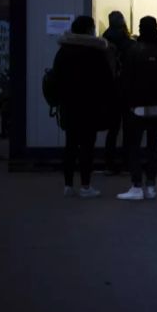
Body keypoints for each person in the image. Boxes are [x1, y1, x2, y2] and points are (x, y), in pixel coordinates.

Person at [51, 15, 118, 198]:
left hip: (69, 106)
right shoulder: (96, 52)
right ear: (89, 29)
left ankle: (67, 185)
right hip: (90, 107)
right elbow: (107, 82)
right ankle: (86, 186)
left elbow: (55, 79)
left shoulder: (63, 51)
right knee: (87, 147)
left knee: (70, 145)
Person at [116, 16, 157, 201]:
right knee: (153, 146)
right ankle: (151, 186)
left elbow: (124, 80)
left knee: (133, 146)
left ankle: (136, 186)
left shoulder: (133, 50)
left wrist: (127, 103)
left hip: (136, 108)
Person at [102, 11, 134, 175]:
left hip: (110, 91)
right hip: (126, 91)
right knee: (128, 129)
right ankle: (127, 162)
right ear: (122, 22)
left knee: (113, 129)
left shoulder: (103, 41)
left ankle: (109, 163)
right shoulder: (128, 43)